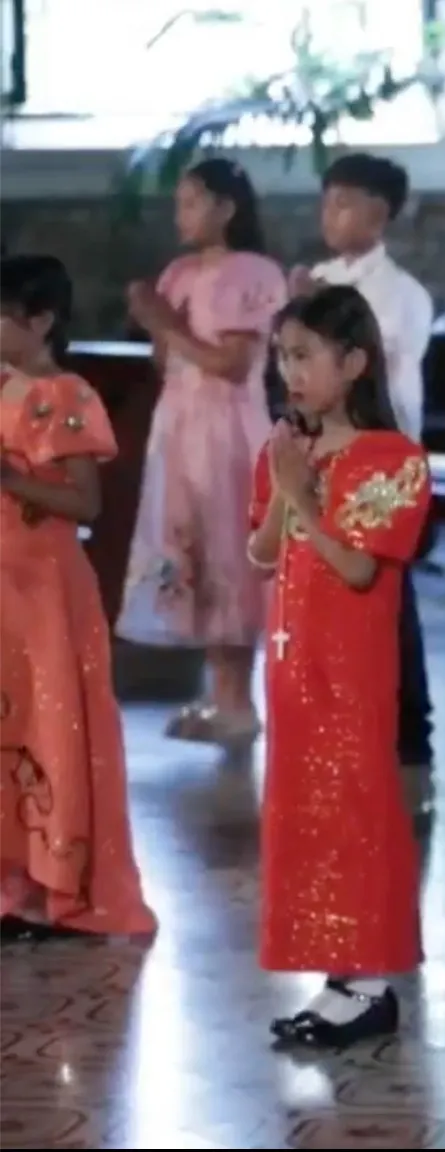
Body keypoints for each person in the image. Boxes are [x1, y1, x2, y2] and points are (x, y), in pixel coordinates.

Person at [247, 285, 430, 1049]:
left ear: (353, 362)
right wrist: (284, 492)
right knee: (303, 811)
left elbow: (358, 569)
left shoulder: (394, 458)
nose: (291, 372)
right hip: (291, 666)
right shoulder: (285, 449)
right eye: (283, 356)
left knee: (356, 808)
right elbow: (261, 554)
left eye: (305, 355)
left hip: (350, 667)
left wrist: (303, 500)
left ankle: (371, 981)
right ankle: (336, 974)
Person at [0, 253, 156, 942]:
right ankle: (15, 883)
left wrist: (9, 479)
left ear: (41, 320)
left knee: (52, 724)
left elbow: (82, 501)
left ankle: (62, 888)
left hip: (47, 589)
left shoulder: (67, 395)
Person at [117, 157, 288, 746]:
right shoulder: (180, 271)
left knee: (228, 555)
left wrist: (167, 321)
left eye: (192, 202)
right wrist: (158, 324)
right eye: (179, 204)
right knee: (186, 548)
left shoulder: (254, 271)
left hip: (227, 431)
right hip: (179, 426)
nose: (181, 215)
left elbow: (233, 365)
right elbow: (168, 361)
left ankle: (241, 701)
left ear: (226, 207)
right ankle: (218, 696)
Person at [295, 152, 440, 789]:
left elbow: (376, 363)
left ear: (380, 215)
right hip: (322, 453)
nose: (331, 215)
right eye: (327, 202)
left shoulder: (402, 293)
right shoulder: (315, 279)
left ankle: (411, 734)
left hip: (381, 461)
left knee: (386, 597)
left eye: (346, 203)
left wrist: (316, 308)